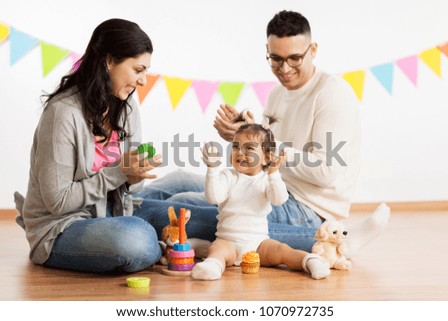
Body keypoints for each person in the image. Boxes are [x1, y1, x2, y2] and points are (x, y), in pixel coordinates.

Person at [137, 10, 390, 258]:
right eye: (276, 59)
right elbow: (264, 160)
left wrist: (264, 147)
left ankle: (328, 237)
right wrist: (244, 136)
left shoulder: (332, 94)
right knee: (178, 179)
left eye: (294, 58)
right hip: (267, 184)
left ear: (312, 51)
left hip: (305, 207)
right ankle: (117, 203)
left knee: (182, 202)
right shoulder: (277, 94)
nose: (284, 68)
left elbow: (325, 172)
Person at [14, 18, 164, 273]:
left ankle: (167, 238)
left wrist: (135, 173)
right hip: (63, 226)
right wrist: (119, 172)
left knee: (196, 201)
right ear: (109, 61)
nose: (143, 81)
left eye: (146, 72)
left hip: (117, 211)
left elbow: (132, 188)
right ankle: (166, 242)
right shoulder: (63, 113)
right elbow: (58, 202)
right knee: (136, 239)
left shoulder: (126, 106)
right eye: (138, 70)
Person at [191, 116, 330, 280]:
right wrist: (212, 169)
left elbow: (279, 199)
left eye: (249, 148)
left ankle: (310, 261)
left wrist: (274, 174)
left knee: (282, 251)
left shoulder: (266, 179)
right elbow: (213, 197)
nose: (240, 152)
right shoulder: (228, 175)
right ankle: (212, 266)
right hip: (228, 241)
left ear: (266, 157)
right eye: (236, 146)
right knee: (217, 250)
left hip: (258, 244)